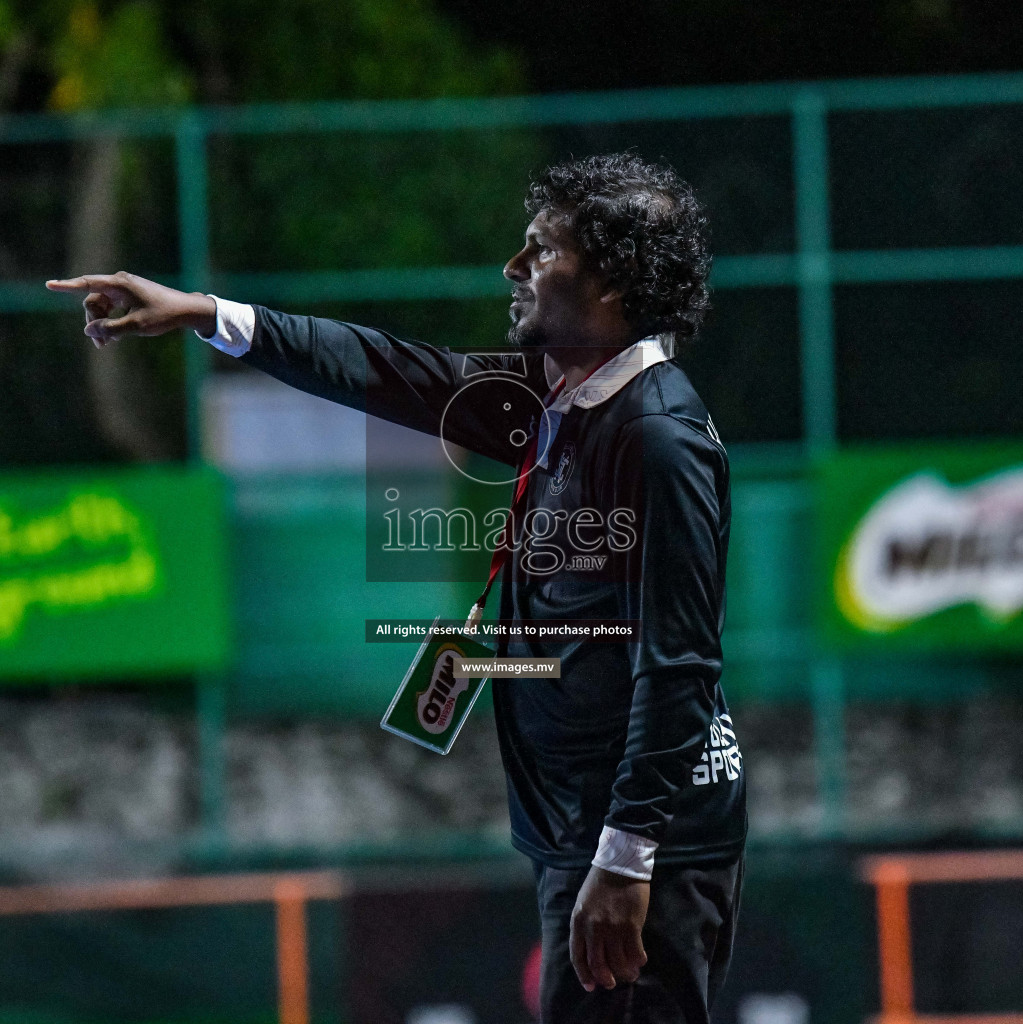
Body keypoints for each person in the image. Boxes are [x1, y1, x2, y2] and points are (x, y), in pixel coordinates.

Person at [49, 151, 746, 1024]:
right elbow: (394, 372)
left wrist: (628, 857)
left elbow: (677, 664)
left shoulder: (656, 438)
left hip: (647, 844)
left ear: (610, 281)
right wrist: (208, 316)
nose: (514, 268)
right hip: (588, 831)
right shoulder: (560, 398)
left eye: (540, 250)